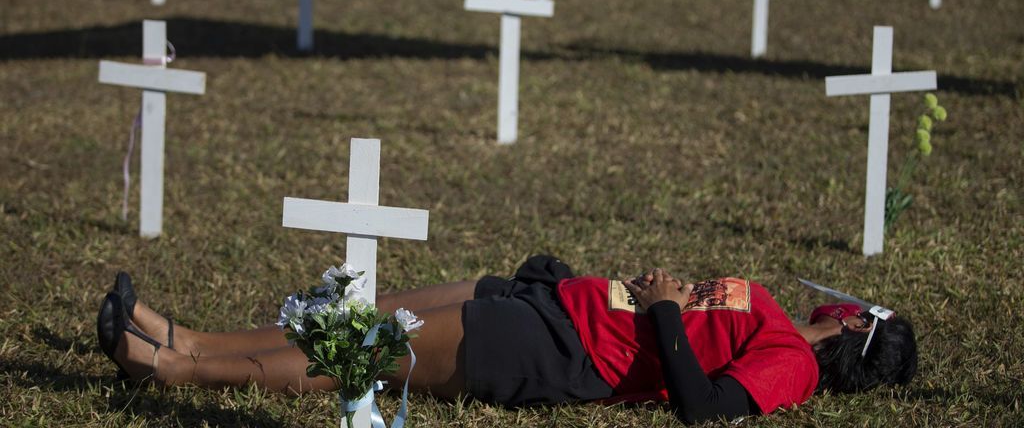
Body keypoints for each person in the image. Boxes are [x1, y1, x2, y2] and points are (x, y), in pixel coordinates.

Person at [96, 255, 918, 424]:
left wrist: (663, 311)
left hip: (558, 354)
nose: (846, 301)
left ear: (857, 327)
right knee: (365, 314)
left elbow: (703, 408)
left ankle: (171, 371)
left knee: (375, 352)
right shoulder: (776, 319)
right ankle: (189, 336)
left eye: (859, 306)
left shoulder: (792, 369)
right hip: (558, 303)